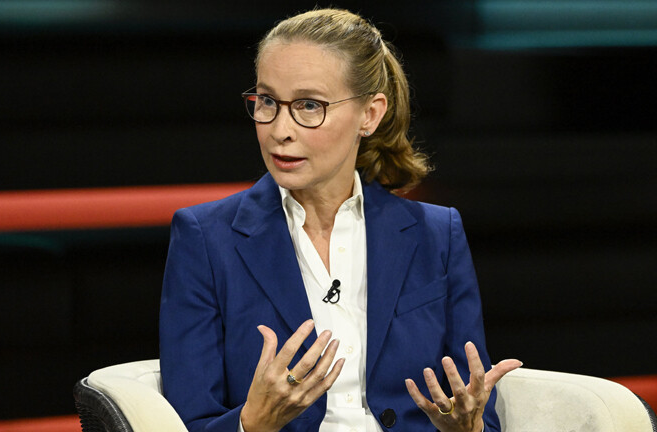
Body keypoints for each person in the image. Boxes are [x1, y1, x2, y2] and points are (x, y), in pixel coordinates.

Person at [159, 8, 521, 432]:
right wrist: (252, 423)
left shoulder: (436, 234)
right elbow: (186, 421)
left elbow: (478, 411)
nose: (280, 130)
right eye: (268, 102)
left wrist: (468, 428)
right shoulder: (205, 238)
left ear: (369, 114)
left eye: (309, 105)